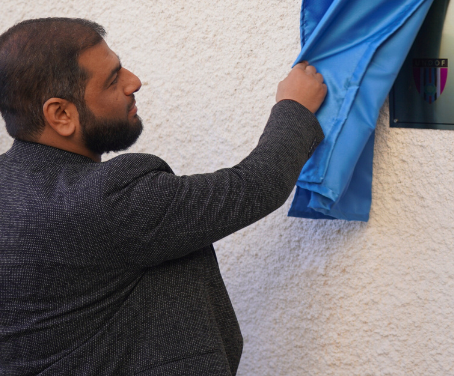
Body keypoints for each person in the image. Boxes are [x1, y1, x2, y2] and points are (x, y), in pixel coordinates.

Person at [0, 18, 327, 375]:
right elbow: (254, 187)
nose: (134, 82)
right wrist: (295, 106)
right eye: (113, 79)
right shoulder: (108, 200)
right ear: (61, 114)